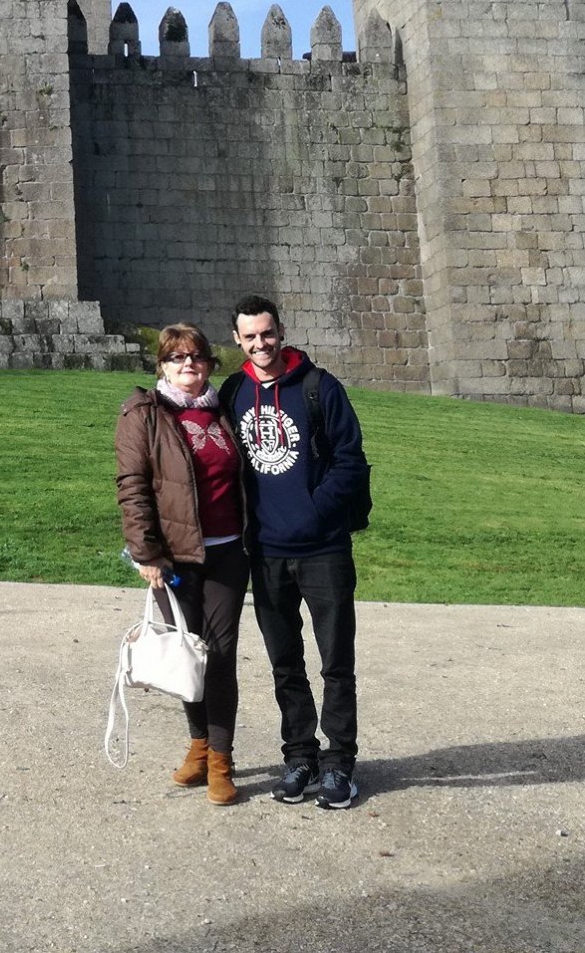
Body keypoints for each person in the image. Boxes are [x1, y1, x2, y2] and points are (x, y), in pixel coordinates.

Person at [221, 294, 372, 810]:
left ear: (280, 331)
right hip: (264, 553)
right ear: (238, 340)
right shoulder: (234, 391)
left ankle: (339, 764)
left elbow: (351, 461)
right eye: (250, 337)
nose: (260, 343)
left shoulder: (319, 388)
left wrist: (313, 513)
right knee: (285, 663)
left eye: (267, 333)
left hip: (323, 549)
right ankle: (300, 755)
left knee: (336, 663)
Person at [114, 323, 249, 805]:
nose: (187, 364)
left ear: (210, 363)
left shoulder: (226, 411)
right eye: (176, 357)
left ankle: (221, 759)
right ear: (162, 366)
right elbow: (132, 485)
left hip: (229, 551)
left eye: (195, 356)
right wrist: (146, 553)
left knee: (222, 654)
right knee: (189, 655)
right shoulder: (143, 412)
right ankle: (198, 746)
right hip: (175, 559)